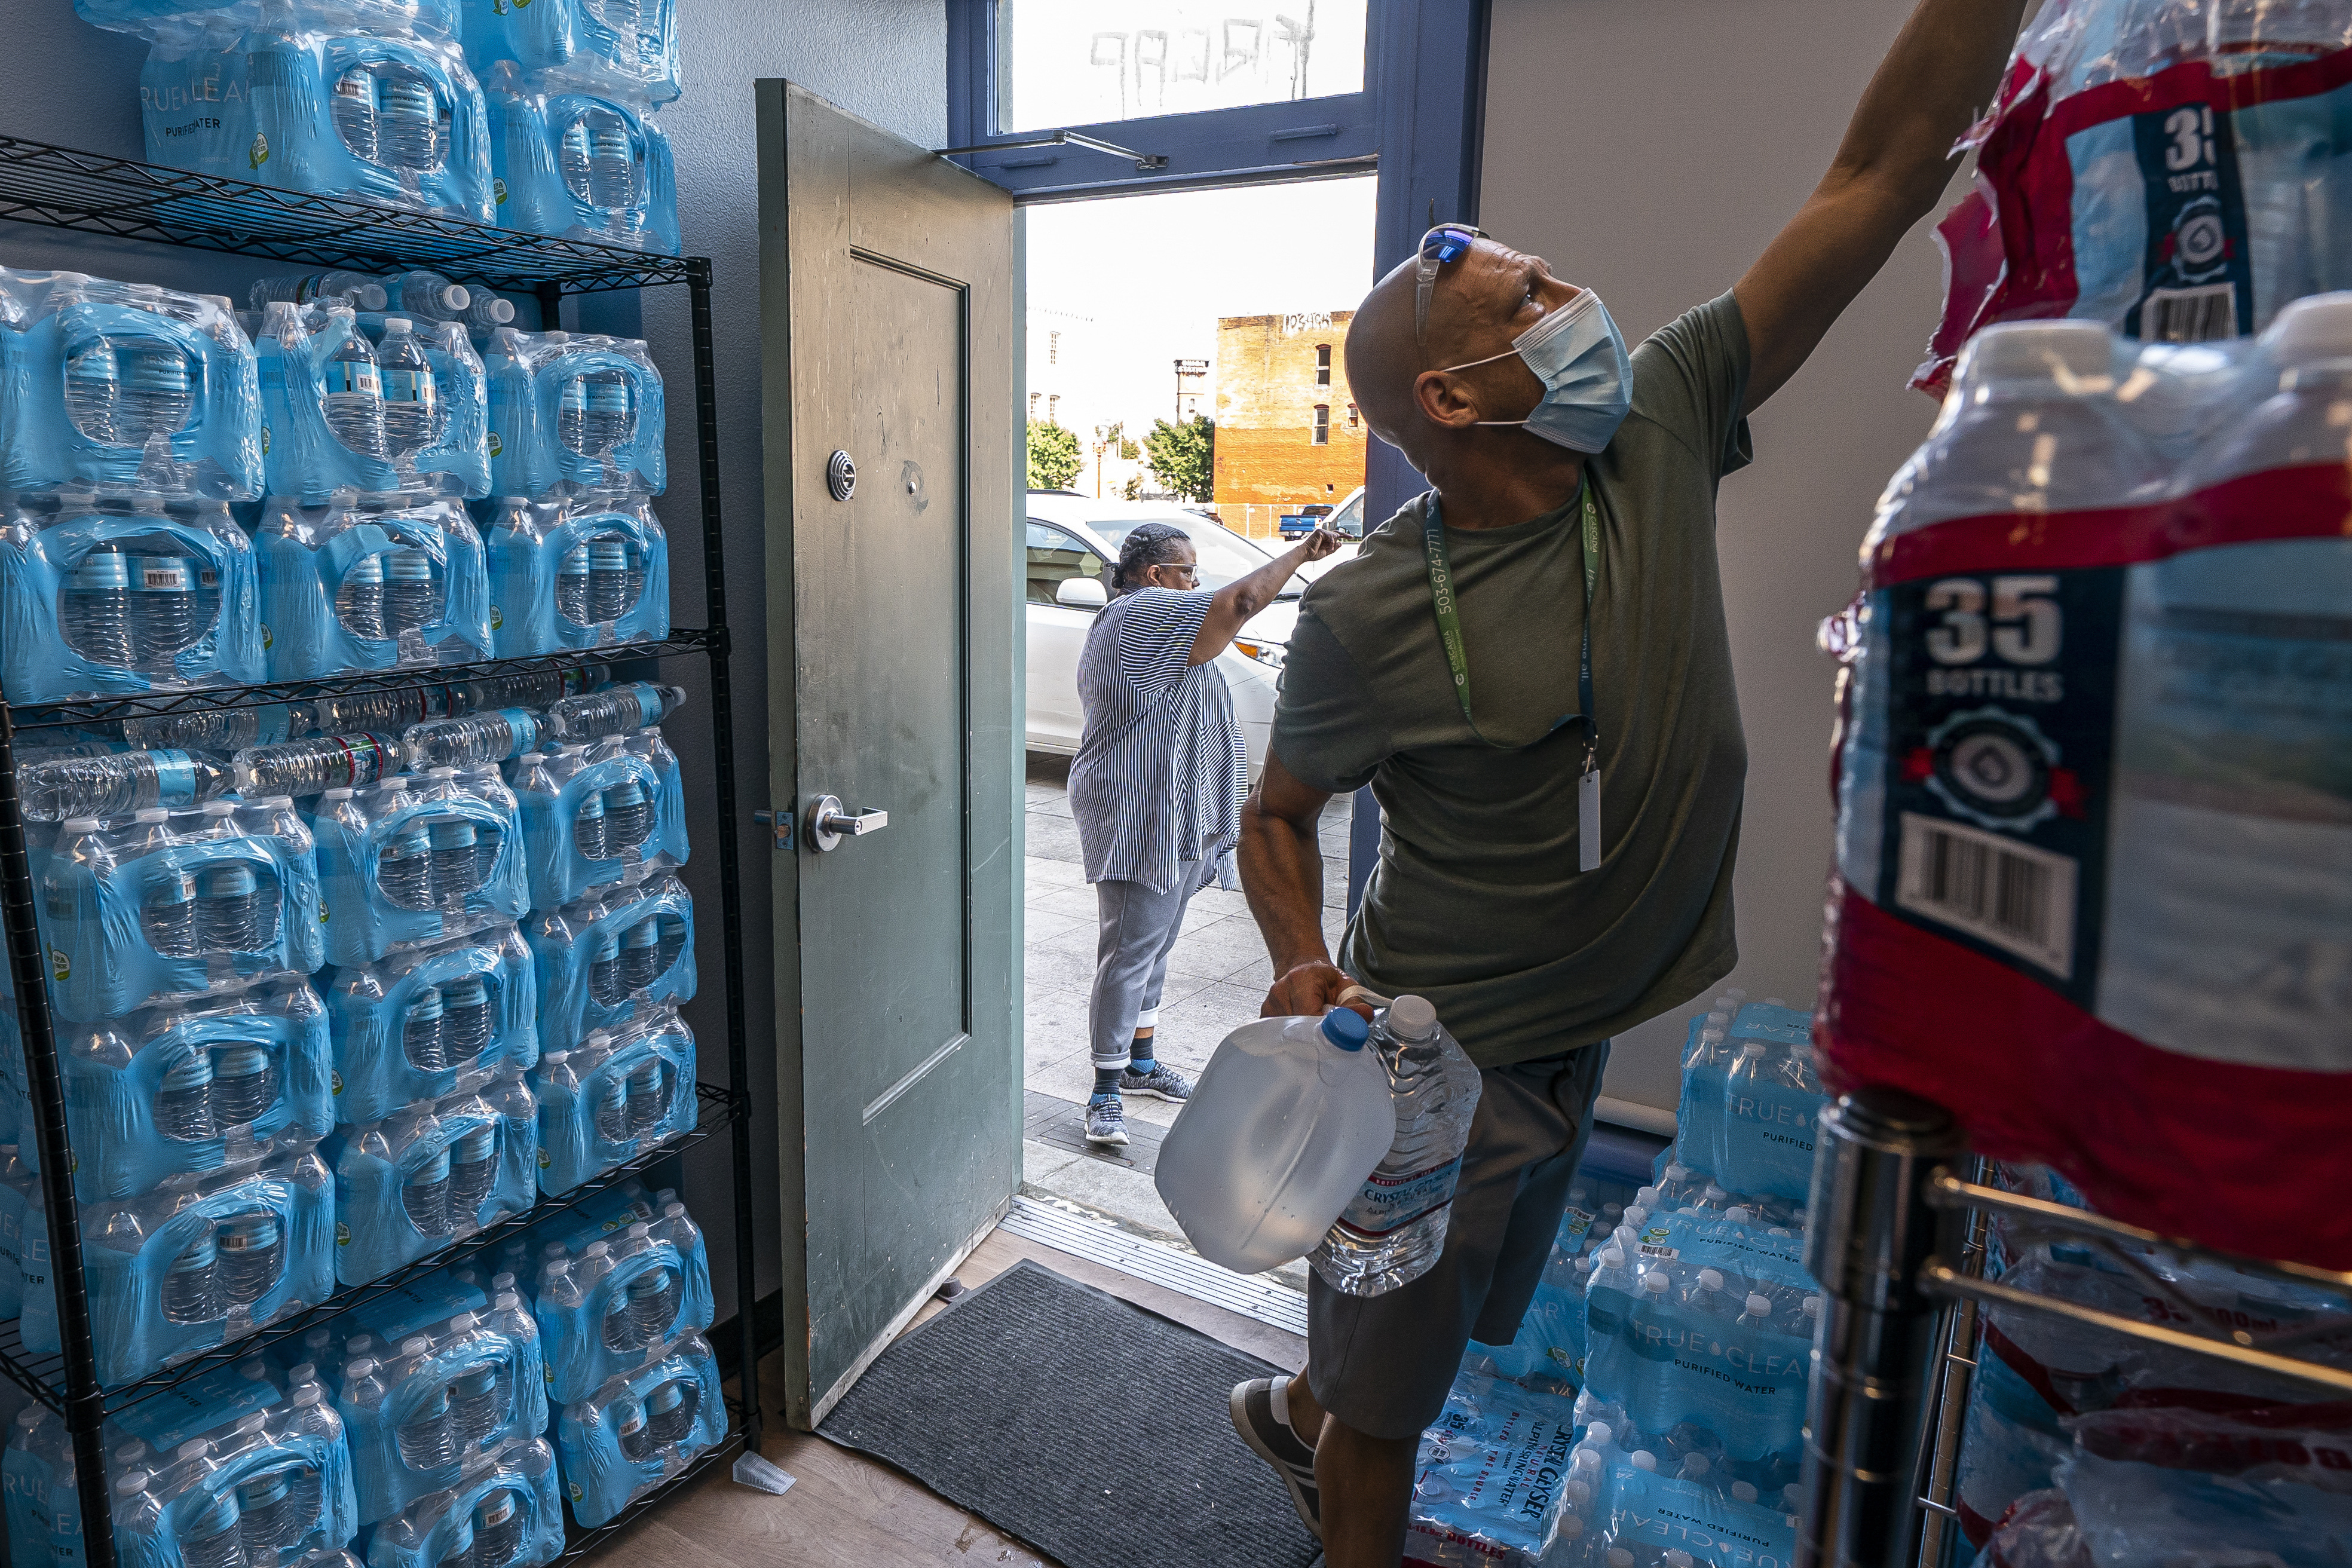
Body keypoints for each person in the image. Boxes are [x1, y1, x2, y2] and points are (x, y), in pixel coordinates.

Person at [1221, 0, 2036, 1561]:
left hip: (1573, 1039)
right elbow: (1276, 813)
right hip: (1421, 1066)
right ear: (1451, 399)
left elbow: (1870, 179)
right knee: (1396, 1423)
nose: (1575, 296)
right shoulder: (1367, 609)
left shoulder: (1660, 418)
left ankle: (1295, 1408)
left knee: (1424, 1347)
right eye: (1529, 298)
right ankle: (1325, 1452)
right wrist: (1298, 959)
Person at [1066, 519, 1342, 1147]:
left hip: (1175, 812)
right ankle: (1104, 1091)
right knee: (1130, 951)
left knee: (1153, 946)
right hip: (1139, 815)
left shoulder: (1167, 626)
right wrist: (1302, 550)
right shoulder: (1140, 614)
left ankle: (1138, 1064)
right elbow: (1240, 602)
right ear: (1157, 575)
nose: (1198, 584)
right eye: (1189, 571)